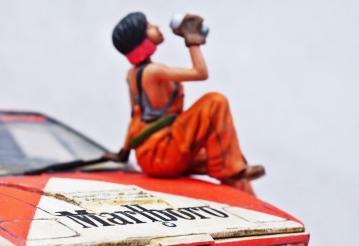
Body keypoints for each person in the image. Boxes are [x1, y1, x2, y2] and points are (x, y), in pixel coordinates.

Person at [104, 12, 265, 195]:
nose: (156, 26)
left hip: (151, 156)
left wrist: (124, 151)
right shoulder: (153, 71)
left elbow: (136, 115)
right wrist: (192, 40)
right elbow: (200, 73)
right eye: (148, 27)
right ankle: (235, 171)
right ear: (139, 38)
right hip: (163, 150)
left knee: (225, 154)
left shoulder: (132, 74)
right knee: (215, 101)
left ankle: (254, 204)